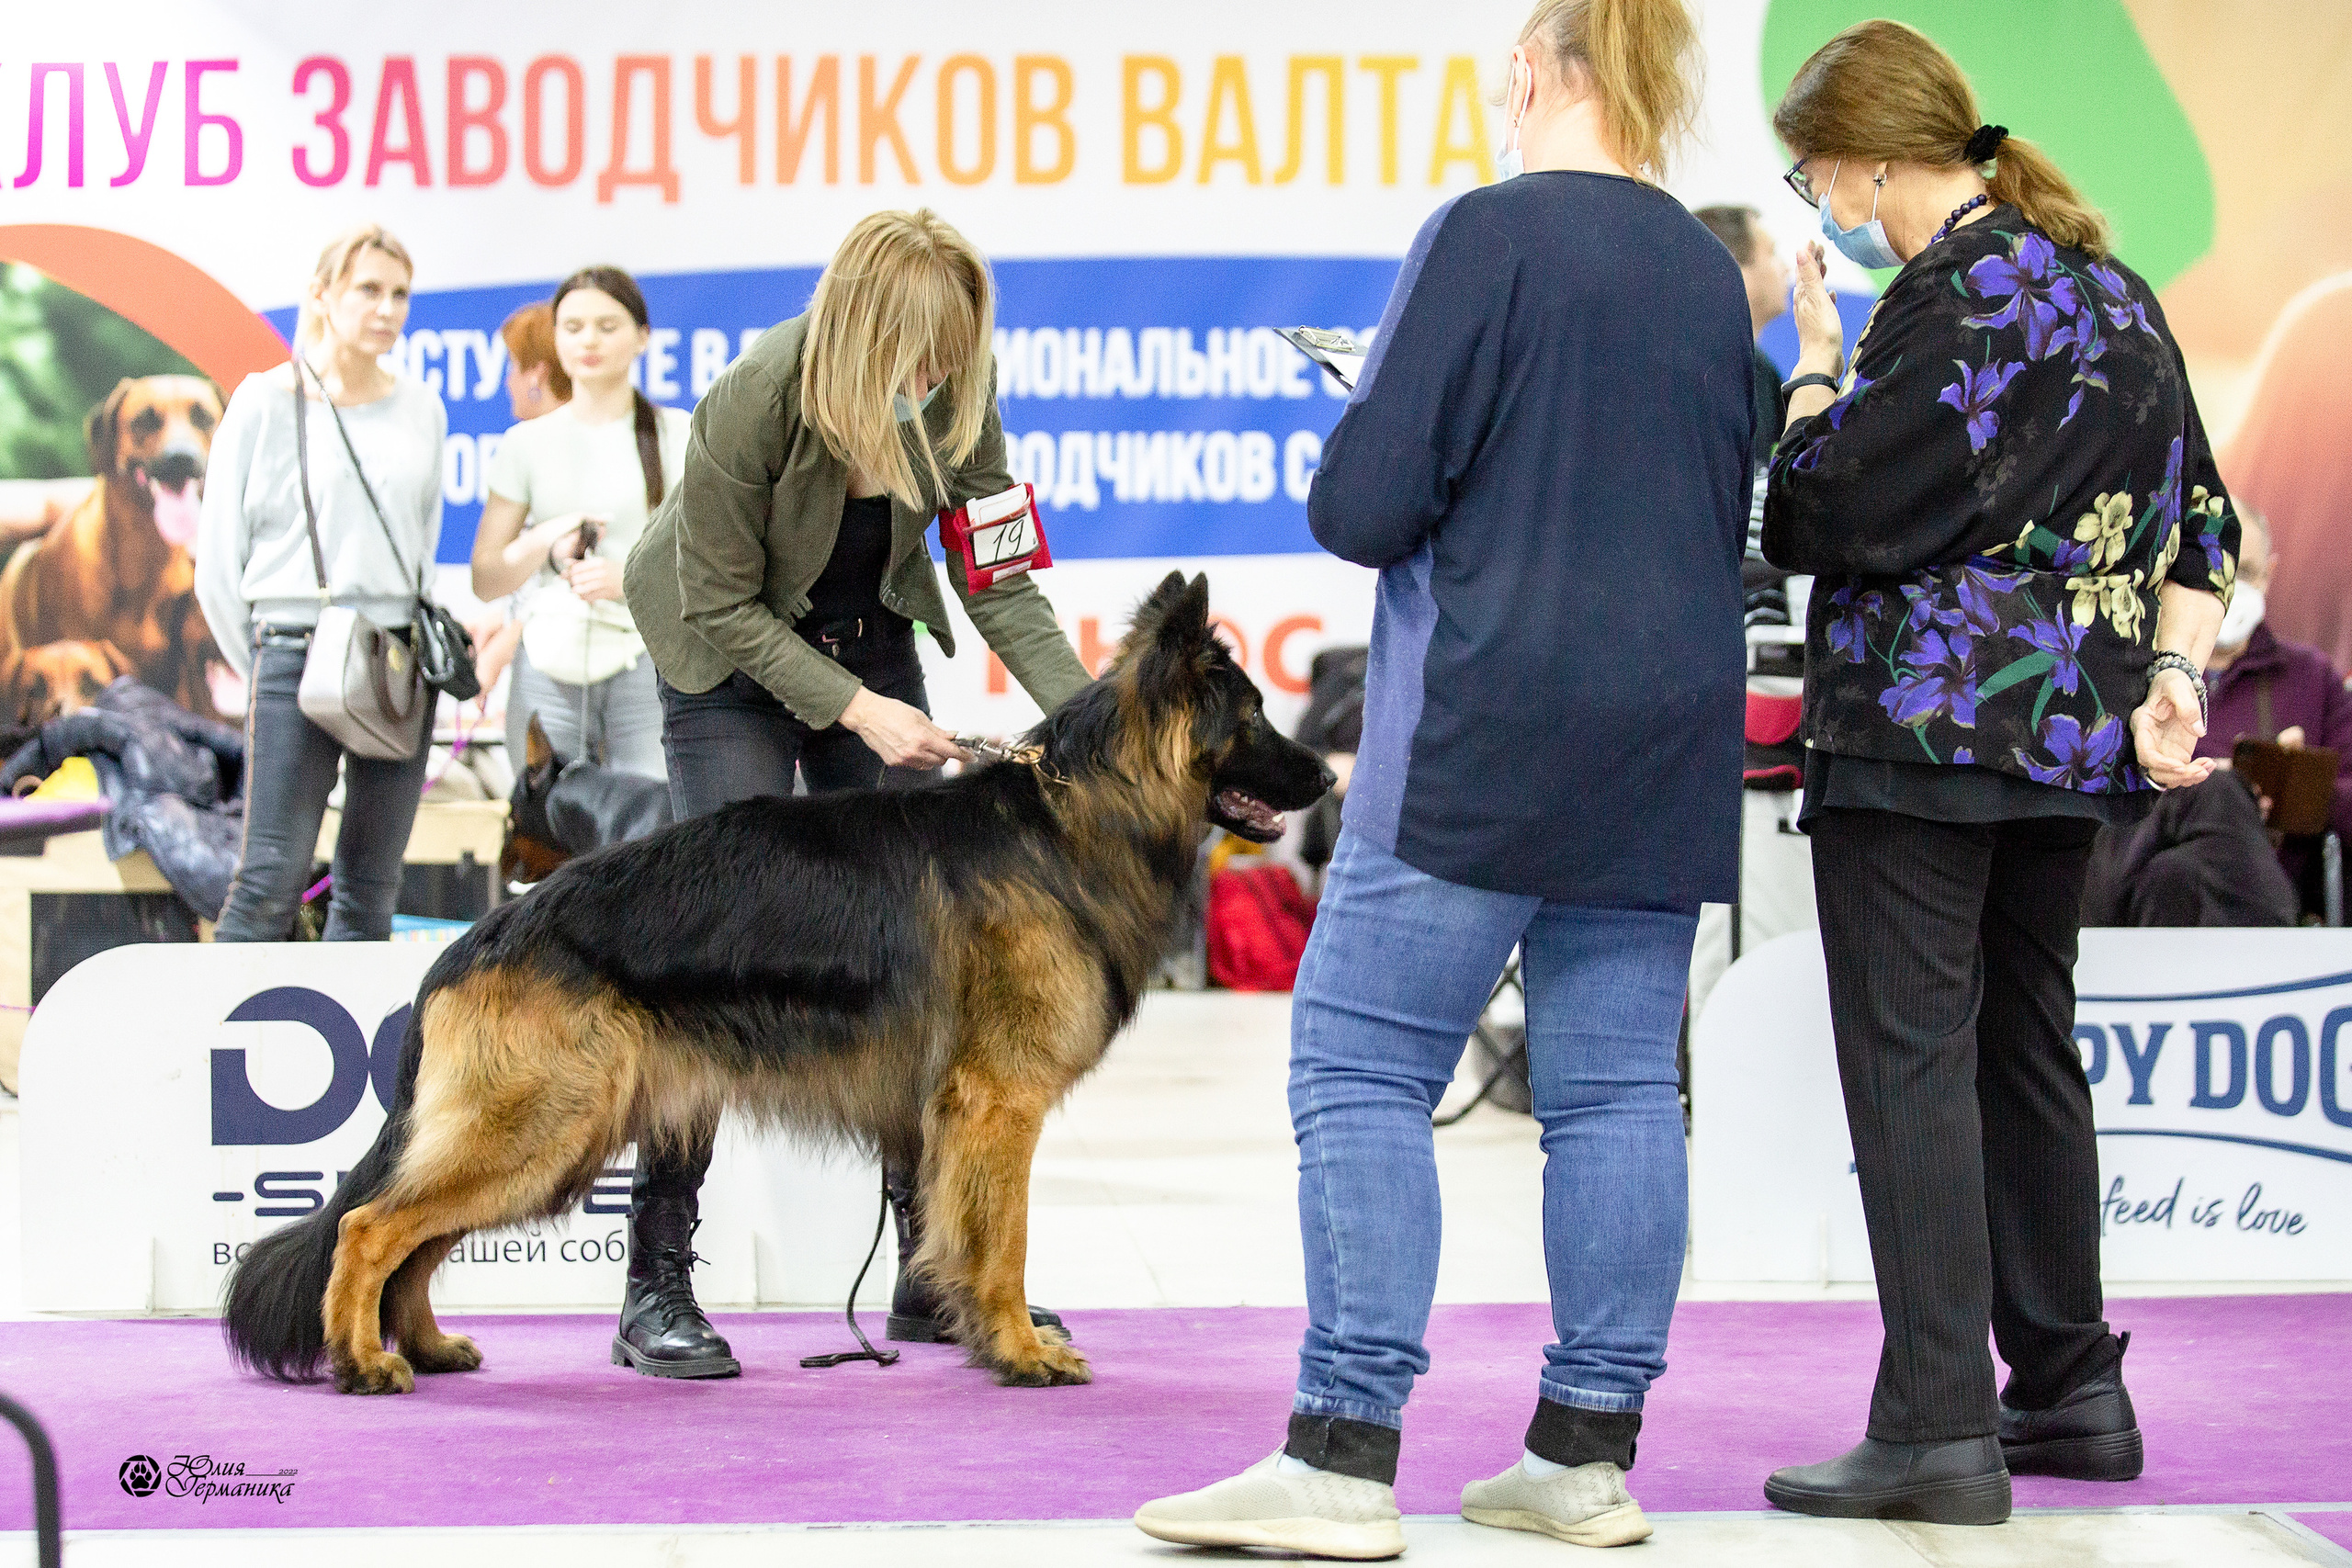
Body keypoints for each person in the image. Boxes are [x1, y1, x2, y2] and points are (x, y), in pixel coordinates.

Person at [1136, 0, 1750, 1554]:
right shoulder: (1701, 268)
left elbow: (1363, 503)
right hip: (1666, 732)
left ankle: (1342, 1456)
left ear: (1532, 76)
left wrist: (1365, 398)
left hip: (1488, 718)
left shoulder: (1481, 235)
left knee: (1358, 1063)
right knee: (1618, 1091)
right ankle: (1585, 1455)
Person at [1758, 19, 2239, 1524]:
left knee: (1912, 1061)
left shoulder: (1943, 302)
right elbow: (2204, 529)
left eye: (1813, 172)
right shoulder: (2112, 293)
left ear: (1879, 159)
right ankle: (2071, 1387)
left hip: (1916, 736)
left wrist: (1814, 375)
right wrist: (2171, 683)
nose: (1816, 199)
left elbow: (1817, 514)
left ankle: (1935, 1425)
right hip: (2069, 739)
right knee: (2027, 1048)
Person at [613, 209, 1092, 1379]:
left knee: (915, 954)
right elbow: (721, 604)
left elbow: (1003, 583)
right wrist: (861, 712)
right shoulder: (756, 394)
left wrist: (1092, 723)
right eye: (917, 357)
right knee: (711, 955)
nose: (935, 382)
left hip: (866, 638)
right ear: (861, 332)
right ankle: (655, 1282)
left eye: (952, 359)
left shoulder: (960, 402)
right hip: (722, 660)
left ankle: (934, 1277)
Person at [197, 224, 447, 941]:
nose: (387, 308)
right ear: (322, 294)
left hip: (393, 657)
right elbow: (218, 562)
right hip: (294, 642)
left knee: (370, 885)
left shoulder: (423, 407)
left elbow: (420, 548)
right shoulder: (264, 401)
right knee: (270, 879)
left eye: (399, 293)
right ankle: (220, 1045)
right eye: (367, 288)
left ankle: (354, 1054)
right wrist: (266, 664)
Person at [2082, 510, 2352, 926]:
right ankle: (2274, 952)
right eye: (2216, 569)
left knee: (2177, 876)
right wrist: (2211, 786)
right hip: (2121, 876)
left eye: (2243, 572)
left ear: (2269, 573)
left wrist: (2292, 784)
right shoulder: (2129, 668)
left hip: (2178, 902)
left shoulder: (2311, 678)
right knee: (2216, 788)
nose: (2228, 588)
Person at [472, 268, 684, 780]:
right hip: (547, 663)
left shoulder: (682, 433)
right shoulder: (526, 444)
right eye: (573, 327)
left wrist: (629, 581)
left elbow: (717, 562)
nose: (588, 340)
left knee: (651, 828)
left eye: (607, 326)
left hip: (649, 658)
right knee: (543, 836)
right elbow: (486, 578)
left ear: (642, 337)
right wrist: (546, 540)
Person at [1697, 205, 1797, 633]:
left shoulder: (1763, 371)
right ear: (1732, 266)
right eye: (1771, 254)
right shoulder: (1720, 366)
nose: (1786, 270)